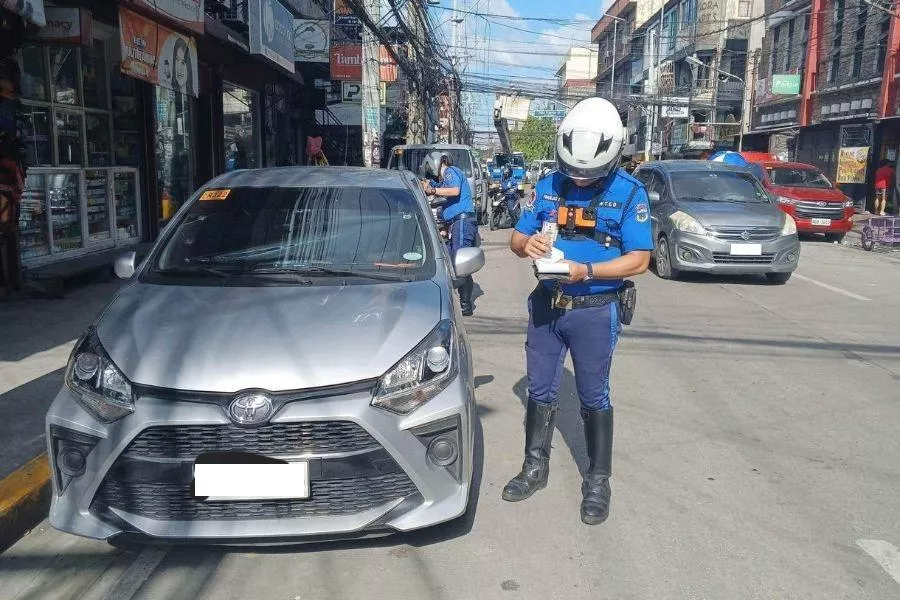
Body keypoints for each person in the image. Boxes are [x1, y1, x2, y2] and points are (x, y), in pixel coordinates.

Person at [502, 97, 653, 525]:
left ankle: (598, 479)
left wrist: (586, 270)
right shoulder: (549, 185)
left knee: (593, 395)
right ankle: (535, 466)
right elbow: (517, 237)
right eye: (574, 171)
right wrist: (525, 245)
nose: (580, 180)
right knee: (540, 389)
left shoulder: (629, 193)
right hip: (547, 307)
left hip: (595, 310)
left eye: (590, 174)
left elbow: (639, 260)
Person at [421, 151, 477, 316]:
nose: (433, 177)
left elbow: (454, 191)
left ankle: (464, 306)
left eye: (432, 172)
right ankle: (461, 303)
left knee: (460, 265)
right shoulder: (444, 179)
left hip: (462, 222)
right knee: (456, 264)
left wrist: (431, 190)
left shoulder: (451, 171)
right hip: (456, 223)